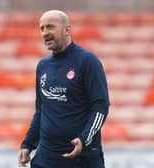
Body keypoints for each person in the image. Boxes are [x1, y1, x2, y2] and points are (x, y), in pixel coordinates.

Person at [18, 10, 110, 168]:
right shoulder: (43, 66)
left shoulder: (87, 61)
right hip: (46, 157)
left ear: (67, 30)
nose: (45, 33)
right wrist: (28, 144)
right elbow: (41, 110)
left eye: (50, 27)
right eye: (42, 28)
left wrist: (84, 139)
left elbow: (101, 106)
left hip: (80, 156)